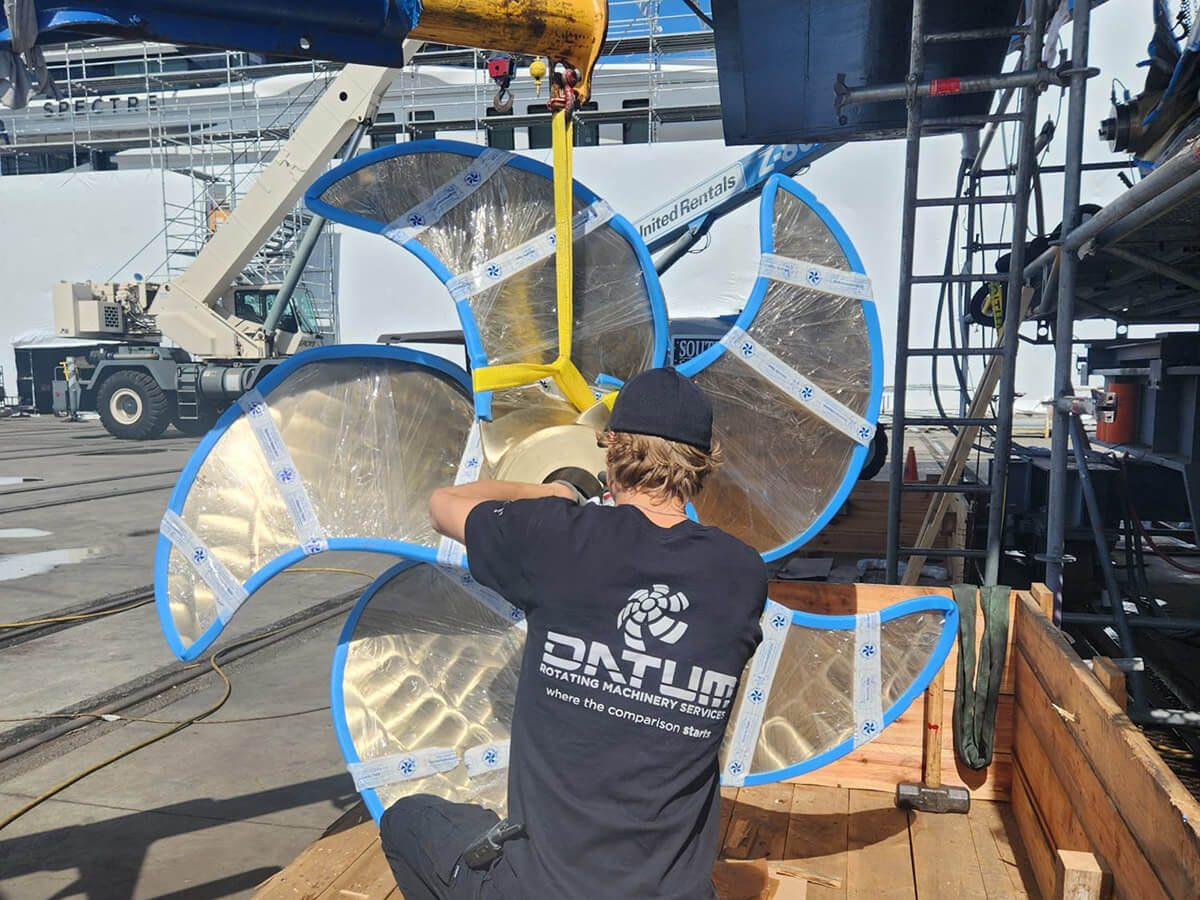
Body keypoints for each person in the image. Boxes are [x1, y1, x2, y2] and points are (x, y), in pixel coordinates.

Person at [380, 367, 768, 900]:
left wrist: (561, 490)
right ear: (700, 467)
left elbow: (443, 504)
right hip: (673, 894)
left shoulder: (561, 539)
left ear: (613, 452)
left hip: (541, 890)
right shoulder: (743, 574)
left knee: (409, 819)